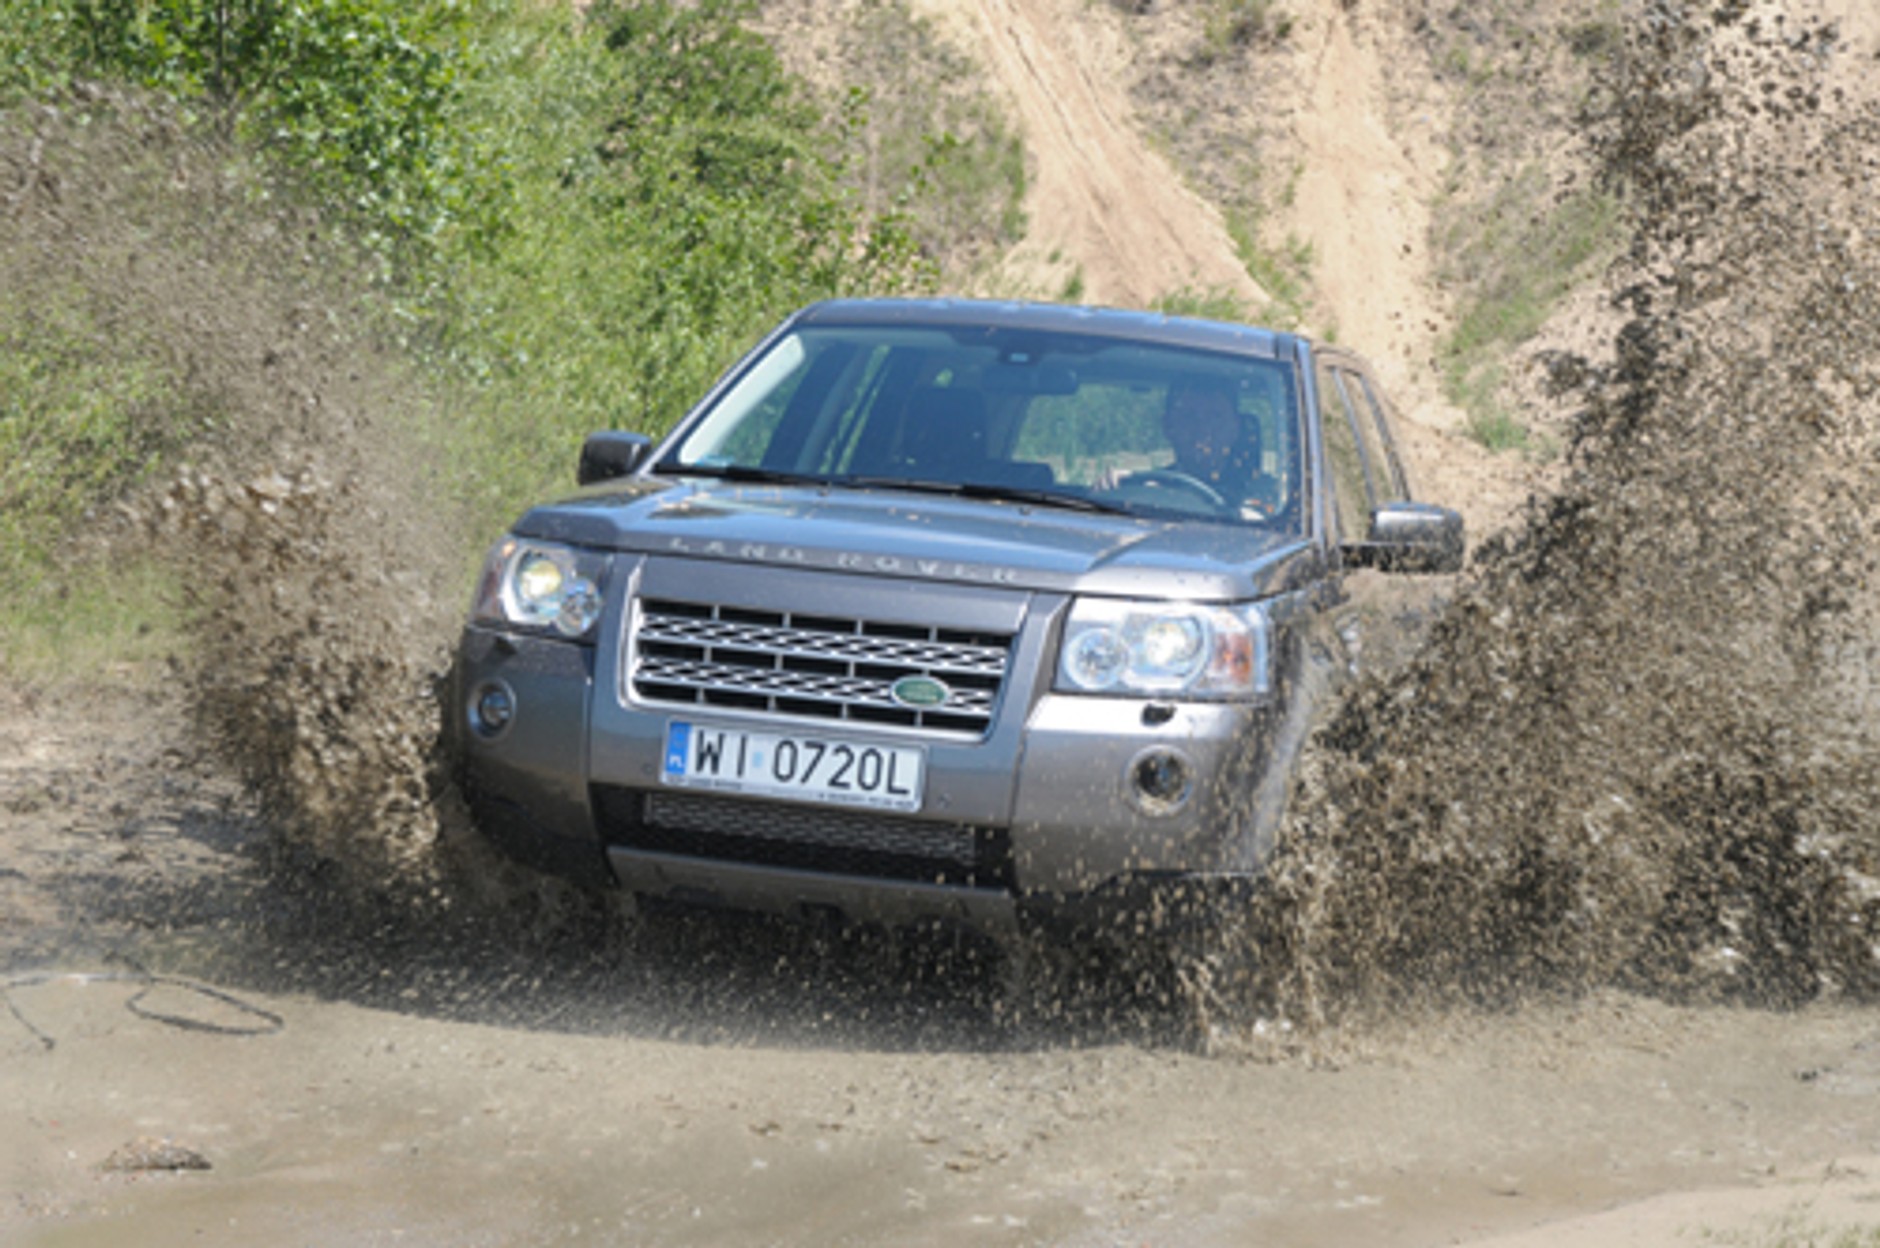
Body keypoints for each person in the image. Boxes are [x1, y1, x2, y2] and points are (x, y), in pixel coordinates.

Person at [1137, 380, 1276, 514]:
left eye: (1216, 417)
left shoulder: (1271, 499)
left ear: (1235, 427)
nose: (1203, 430)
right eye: (1189, 417)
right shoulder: (1146, 495)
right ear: (1168, 426)